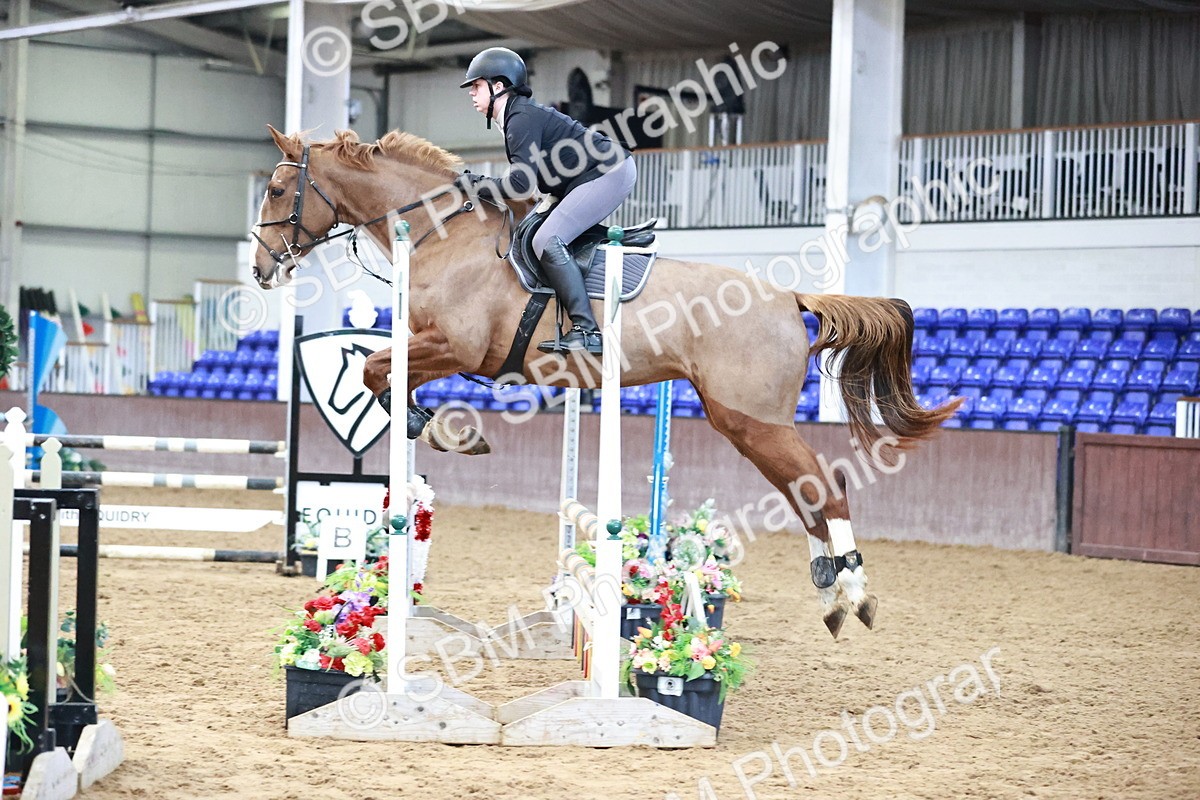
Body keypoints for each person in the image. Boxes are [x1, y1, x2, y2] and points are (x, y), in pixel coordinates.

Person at [457, 47, 637, 355]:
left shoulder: (520, 119)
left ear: (498, 86)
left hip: (609, 171)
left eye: (476, 85)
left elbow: (519, 185)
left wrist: (474, 184)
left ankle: (586, 330)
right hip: (582, 178)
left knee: (546, 240)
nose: (471, 93)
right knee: (532, 231)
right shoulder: (514, 116)